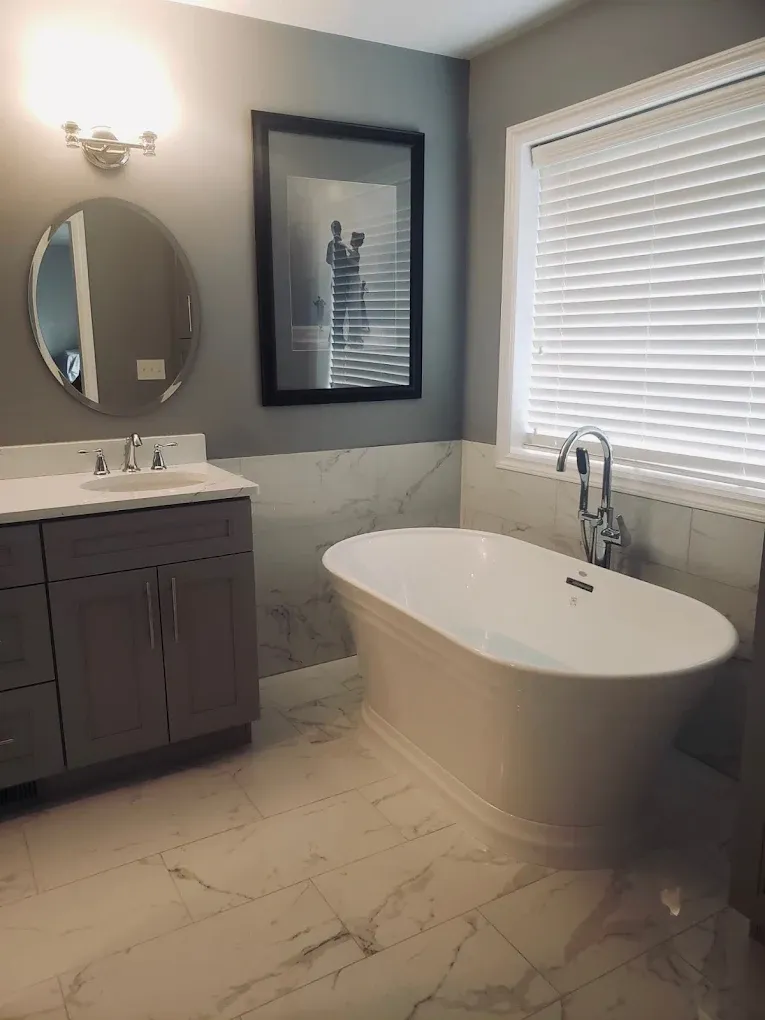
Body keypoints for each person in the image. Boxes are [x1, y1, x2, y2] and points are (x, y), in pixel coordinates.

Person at [326, 221, 363, 347]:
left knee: (344, 310)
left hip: (345, 281)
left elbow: (331, 261)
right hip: (343, 281)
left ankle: (342, 337)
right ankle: (339, 337)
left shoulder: (341, 247)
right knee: (341, 310)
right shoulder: (340, 246)